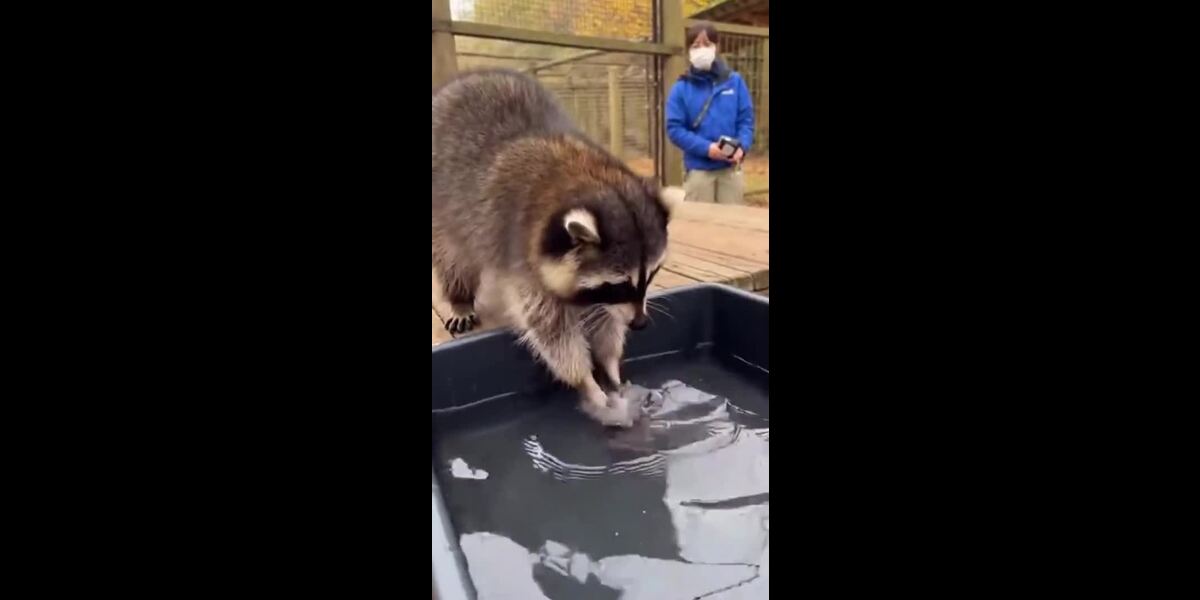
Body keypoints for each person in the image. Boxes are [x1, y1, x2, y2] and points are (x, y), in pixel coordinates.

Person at [666, 21, 756, 205]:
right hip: (699, 171)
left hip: (730, 170)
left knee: (732, 220)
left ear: (717, 47)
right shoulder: (681, 88)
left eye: (707, 44)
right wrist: (706, 148)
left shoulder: (735, 82)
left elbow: (746, 120)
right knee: (701, 221)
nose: (702, 49)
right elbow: (674, 129)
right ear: (688, 51)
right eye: (695, 46)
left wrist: (742, 146)